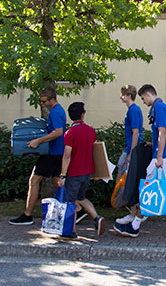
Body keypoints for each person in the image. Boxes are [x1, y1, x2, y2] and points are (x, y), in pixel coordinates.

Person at [112, 84, 166, 239]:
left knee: (148, 189)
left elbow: (163, 132)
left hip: (162, 157)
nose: (143, 101)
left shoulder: (158, 108)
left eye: (143, 98)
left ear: (148, 95)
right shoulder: (163, 107)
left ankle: (134, 227)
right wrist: (154, 144)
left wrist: (159, 155)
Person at [9, 87, 67, 226]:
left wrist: (38, 141)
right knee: (58, 182)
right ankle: (76, 209)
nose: (43, 104)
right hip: (56, 152)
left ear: (52, 99)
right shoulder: (56, 111)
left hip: (52, 153)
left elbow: (58, 132)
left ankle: (27, 215)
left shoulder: (56, 112)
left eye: (44, 101)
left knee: (34, 181)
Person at [56, 102, 105, 238]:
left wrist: (62, 174)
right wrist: (98, 172)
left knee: (70, 203)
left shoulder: (69, 134)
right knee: (81, 197)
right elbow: (96, 152)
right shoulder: (91, 131)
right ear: (83, 115)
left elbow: (67, 155)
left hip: (74, 173)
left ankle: (71, 232)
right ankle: (96, 218)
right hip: (87, 172)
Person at [115, 84, 146, 227]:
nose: (121, 97)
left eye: (123, 94)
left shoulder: (133, 111)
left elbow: (136, 132)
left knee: (125, 179)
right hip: (130, 148)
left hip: (132, 149)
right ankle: (134, 211)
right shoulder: (134, 110)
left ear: (128, 96)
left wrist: (131, 152)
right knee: (125, 177)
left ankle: (133, 212)